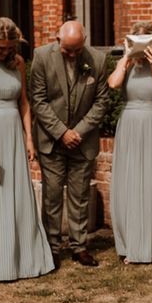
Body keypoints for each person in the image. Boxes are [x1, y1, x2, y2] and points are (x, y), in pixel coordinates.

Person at [0, 17, 54, 281]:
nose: (4, 52)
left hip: (13, 135)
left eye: (9, 47)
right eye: (0, 47)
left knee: (17, 193)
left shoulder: (18, 63)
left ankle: (25, 257)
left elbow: (24, 103)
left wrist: (28, 139)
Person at [30, 20, 109, 267]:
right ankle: (52, 247)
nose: (73, 55)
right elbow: (38, 100)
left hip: (83, 142)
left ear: (83, 41)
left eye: (77, 50)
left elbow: (102, 101)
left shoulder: (98, 60)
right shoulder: (41, 57)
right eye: (68, 50)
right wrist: (62, 132)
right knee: (52, 195)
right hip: (52, 141)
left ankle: (80, 247)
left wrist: (80, 131)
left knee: (80, 195)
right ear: (57, 39)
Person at [108, 22, 152, 264]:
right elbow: (113, 84)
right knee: (129, 182)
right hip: (129, 125)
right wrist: (125, 59)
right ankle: (129, 243)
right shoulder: (127, 63)